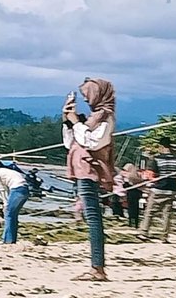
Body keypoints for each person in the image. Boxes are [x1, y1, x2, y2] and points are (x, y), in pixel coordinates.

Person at [64, 78, 116, 282]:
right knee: (91, 217)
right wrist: (67, 121)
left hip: (91, 172)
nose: (85, 98)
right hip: (82, 171)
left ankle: (98, 268)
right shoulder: (95, 117)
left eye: (88, 93)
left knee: (93, 218)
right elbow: (71, 143)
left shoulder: (105, 117)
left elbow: (91, 142)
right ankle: (96, 266)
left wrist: (77, 122)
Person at [142, 137, 176, 242]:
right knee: (167, 214)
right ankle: (164, 237)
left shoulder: (156, 159)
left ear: (161, 146)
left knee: (149, 212)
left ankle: (144, 232)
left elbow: (151, 175)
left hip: (158, 189)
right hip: (172, 190)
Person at [0, 158, 30, 244]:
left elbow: (2, 189)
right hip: (25, 189)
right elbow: (7, 188)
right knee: (13, 214)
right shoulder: (6, 171)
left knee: (8, 214)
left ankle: (7, 239)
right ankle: (11, 238)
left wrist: (5, 203)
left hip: (17, 189)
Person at [121, 163, 143, 229]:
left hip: (132, 192)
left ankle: (131, 222)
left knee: (131, 208)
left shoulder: (130, 175)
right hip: (137, 192)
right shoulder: (137, 175)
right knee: (135, 208)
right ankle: (135, 223)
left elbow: (126, 184)